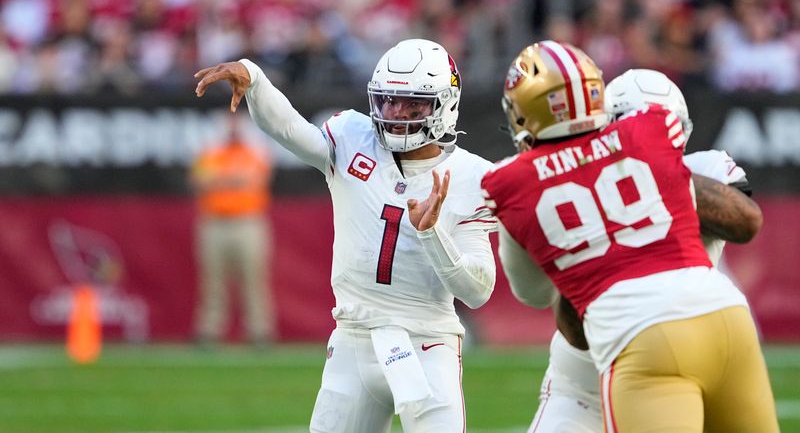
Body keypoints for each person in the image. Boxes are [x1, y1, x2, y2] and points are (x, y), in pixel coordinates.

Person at [195, 39, 496, 432]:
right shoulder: (355, 136)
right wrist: (255, 80)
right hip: (354, 336)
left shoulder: (473, 177)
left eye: (412, 105)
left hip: (428, 342)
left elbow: (477, 291)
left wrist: (432, 235)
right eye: (388, 101)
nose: (395, 114)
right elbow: (290, 130)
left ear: (444, 106)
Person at [481, 41, 779, 432]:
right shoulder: (649, 137)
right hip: (718, 315)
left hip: (635, 338)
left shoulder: (516, 181)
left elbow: (537, 297)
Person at [190, 114, 275, 347]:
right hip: (214, 222)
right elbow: (201, 180)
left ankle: (260, 331)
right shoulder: (212, 151)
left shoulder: (254, 150)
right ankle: (210, 330)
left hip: (248, 221)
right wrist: (232, 180)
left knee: (254, 278)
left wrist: (221, 180)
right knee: (213, 280)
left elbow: (255, 179)